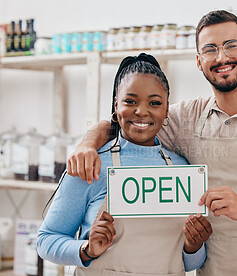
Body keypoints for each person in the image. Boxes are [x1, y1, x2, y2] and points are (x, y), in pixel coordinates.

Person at [67, 10, 237, 275]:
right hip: (211, 268)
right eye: (210, 49)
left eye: (231, 46)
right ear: (198, 61)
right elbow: (129, 120)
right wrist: (87, 144)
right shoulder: (187, 118)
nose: (221, 57)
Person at [37, 53, 212, 276]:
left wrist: (193, 246)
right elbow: (46, 240)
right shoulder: (91, 165)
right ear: (116, 105)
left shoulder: (182, 169)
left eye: (155, 103)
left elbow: (189, 264)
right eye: (130, 101)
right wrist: (86, 250)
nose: (141, 111)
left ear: (167, 109)